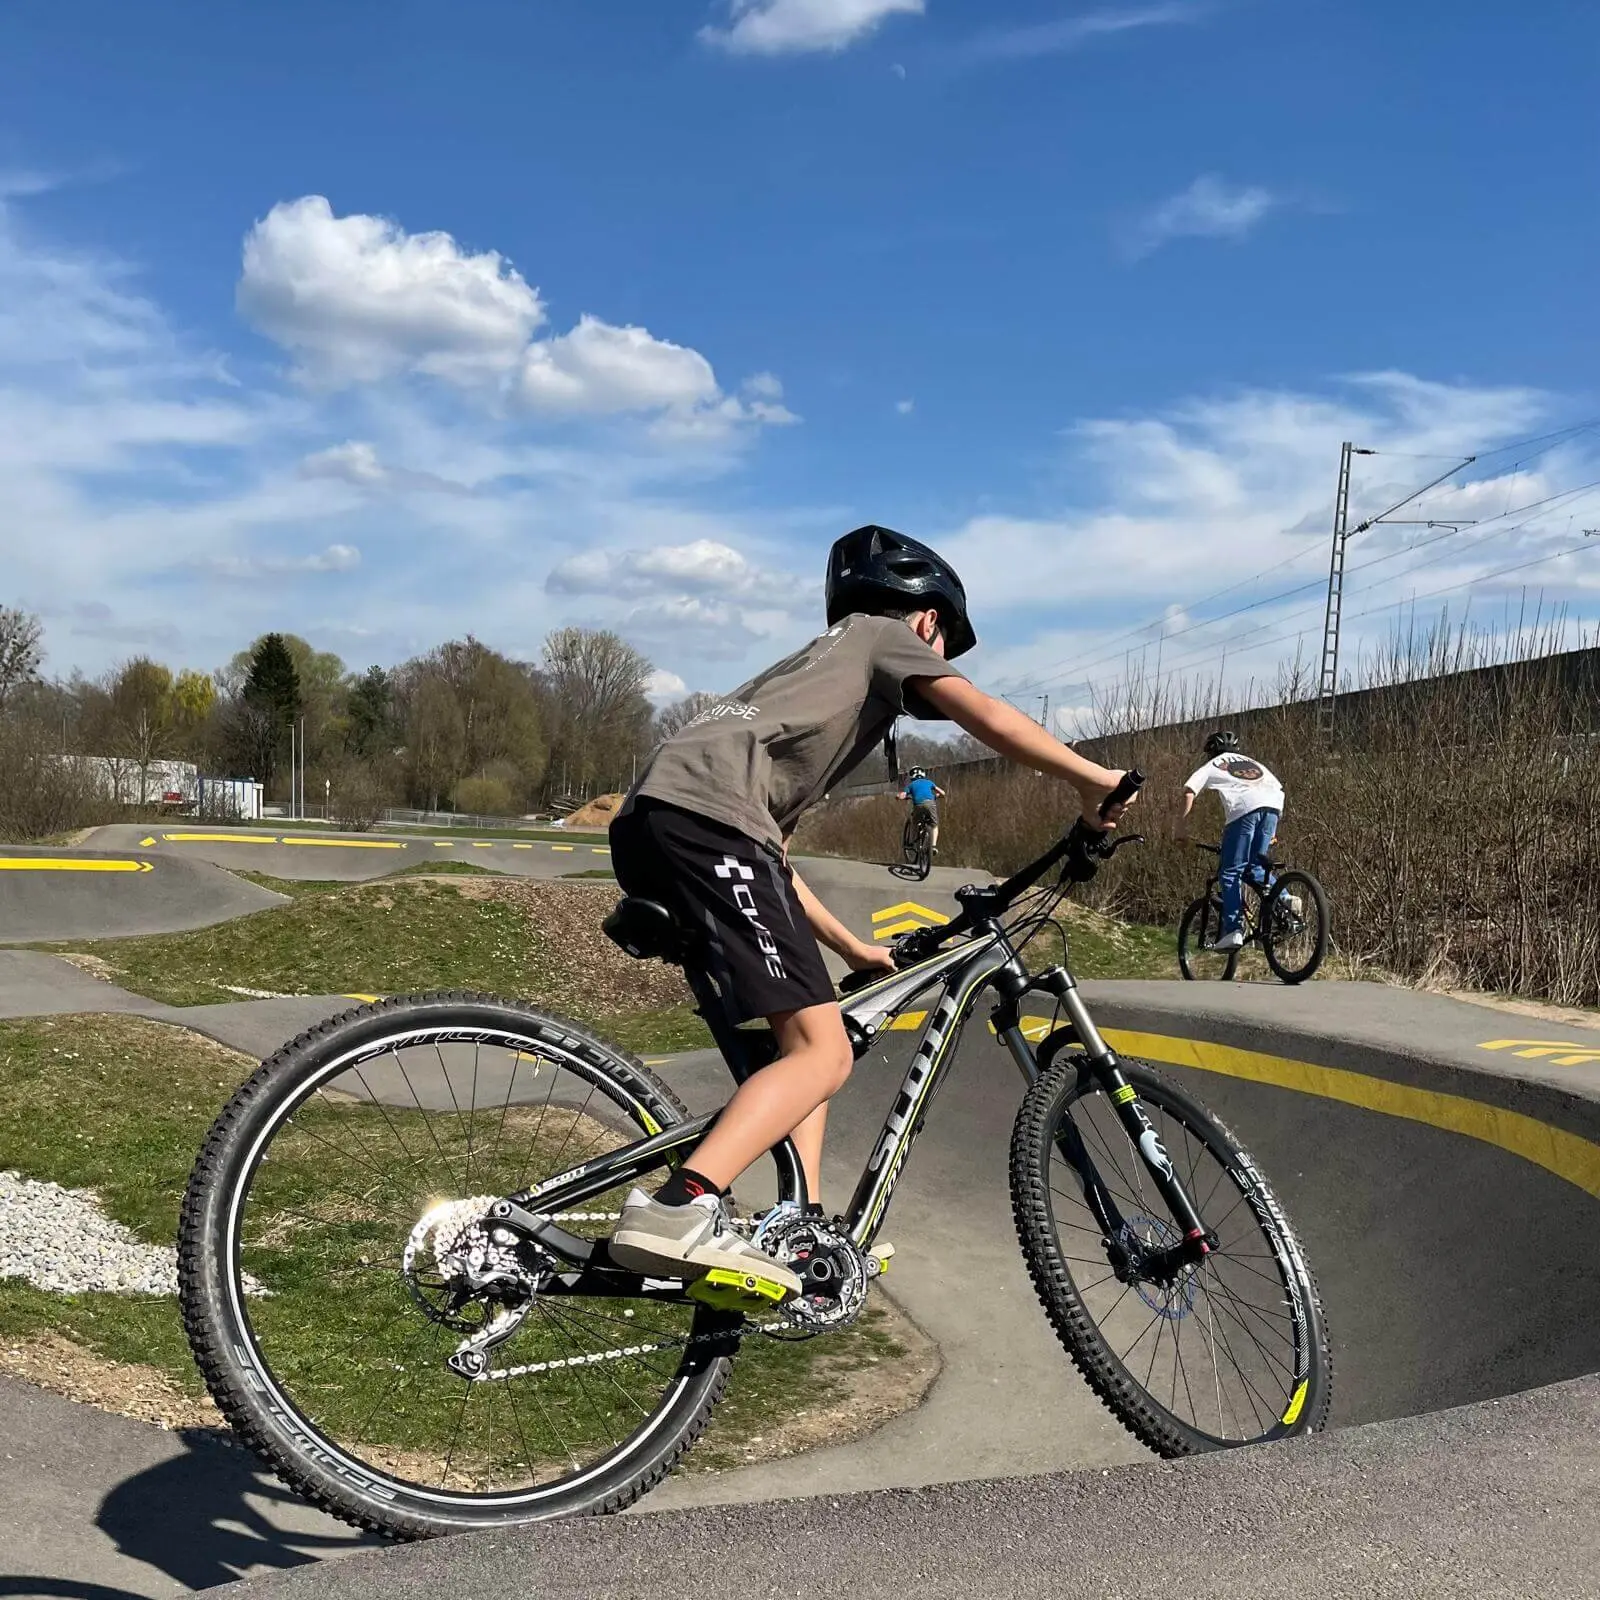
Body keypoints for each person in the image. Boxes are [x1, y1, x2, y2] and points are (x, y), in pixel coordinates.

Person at [604, 524, 1133, 1300]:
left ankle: (801, 1224)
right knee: (827, 1055)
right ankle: (681, 1207)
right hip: (705, 824)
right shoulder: (881, 634)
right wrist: (1095, 780)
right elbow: (980, 712)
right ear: (928, 621)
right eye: (944, 643)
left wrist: (852, 944)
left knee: (805, 1037)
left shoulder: (801, 687)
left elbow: (773, 862)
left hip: (663, 826)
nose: (939, 661)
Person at [1176, 731, 1287, 951]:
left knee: (1229, 871)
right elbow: (1277, 789)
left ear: (1211, 753)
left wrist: (1180, 828)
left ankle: (1233, 930)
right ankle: (1286, 900)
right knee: (1254, 866)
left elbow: (1189, 791)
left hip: (1244, 810)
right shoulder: (1253, 762)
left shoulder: (1213, 764)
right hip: (1273, 807)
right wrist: (1270, 828)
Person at [897, 765, 946, 852]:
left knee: (914, 823)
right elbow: (942, 792)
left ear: (911, 776)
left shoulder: (911, 785)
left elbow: (902, 796)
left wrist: (898, 796)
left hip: (918, 805)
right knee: (934, 825)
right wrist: (935, 796)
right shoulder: (929, 782)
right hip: (931, 804)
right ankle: (933, 846)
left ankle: (911, 842)